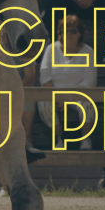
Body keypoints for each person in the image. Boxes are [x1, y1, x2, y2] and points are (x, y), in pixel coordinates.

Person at [37, 15, 97, 150]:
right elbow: (44, 77)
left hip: (80, 95)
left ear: (80, 33)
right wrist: (60, 98)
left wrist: (70, 98)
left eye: (73, 31)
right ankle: (60, 138)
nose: (69, 34)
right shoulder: (51, 49)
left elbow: (90, 79)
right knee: (43, 102)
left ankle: (85, 139)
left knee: (88, 101)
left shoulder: (88, 51)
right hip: (55, 95)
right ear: (60, 33)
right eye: (65, 31)